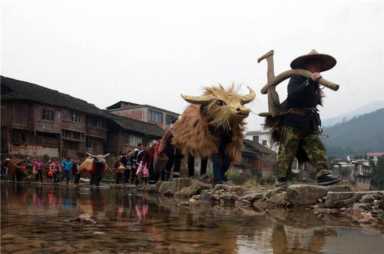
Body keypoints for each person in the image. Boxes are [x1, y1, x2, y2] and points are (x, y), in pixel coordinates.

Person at [276, 50, 340, 187]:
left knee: (316, 147)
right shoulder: (296, 77)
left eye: (319, 64)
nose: (317, 66)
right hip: (293, 119)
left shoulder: (316, 82)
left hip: (309, 121)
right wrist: (309, 83)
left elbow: (313, 101)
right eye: (315, 64)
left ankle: (323, 174)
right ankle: (281, 179)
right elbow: (294, 95)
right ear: (307, 64)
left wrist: (313, 83)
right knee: (287, 149)